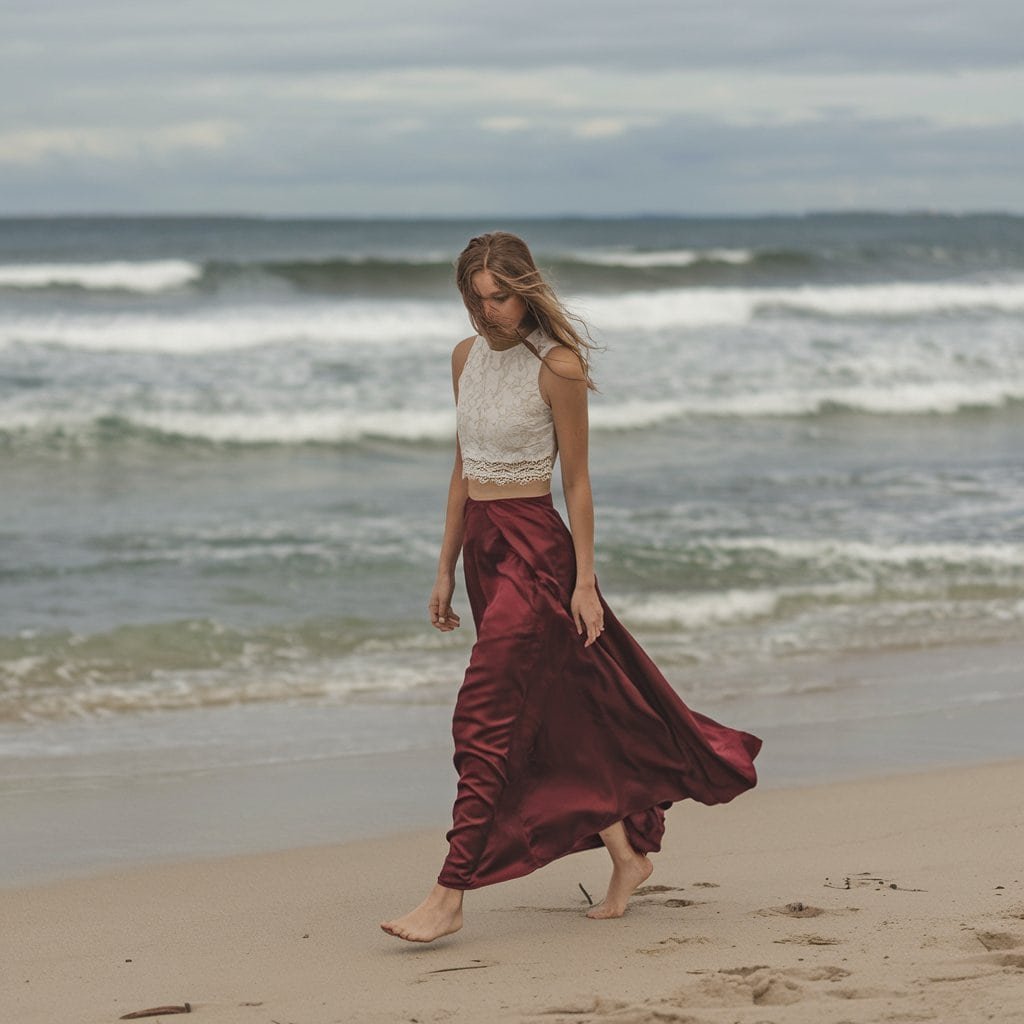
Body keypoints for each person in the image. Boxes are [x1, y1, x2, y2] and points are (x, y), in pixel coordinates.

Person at [380, 232, 761, 943]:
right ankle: (626, 855)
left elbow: (578, 483)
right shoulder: (463, 359)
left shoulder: (557, 365)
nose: (488, 310)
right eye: (476, 297)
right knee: (560, 711)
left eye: (500, 296)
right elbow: (463, 471)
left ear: (525, 289)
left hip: (536, 554)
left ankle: (450, 893)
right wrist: (443, 569)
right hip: (485, 556)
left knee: (483, 720)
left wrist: (584, 581)